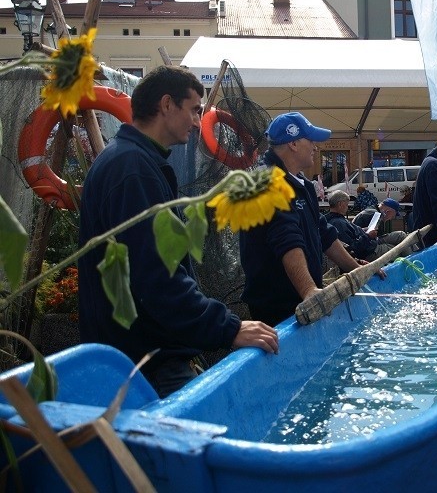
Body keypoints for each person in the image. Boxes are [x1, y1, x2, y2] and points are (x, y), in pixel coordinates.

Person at [78, 65, 279, 398]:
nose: (199, 122)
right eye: (194, 110)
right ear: (167, 105)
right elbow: (156, 277)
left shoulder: (136, 160)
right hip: (146, 362)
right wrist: (228, 328)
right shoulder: (133, 170)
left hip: (144, 353)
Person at [239, 112, 375, 326]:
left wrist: (356, 269)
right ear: (293, 143)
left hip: (301, 298)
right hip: (278, 305)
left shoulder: (301, 183)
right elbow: (287, 241)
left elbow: (324, 232)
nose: (315, 147)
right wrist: (309, 291)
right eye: (310, 140)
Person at [326, 191, 409, 261]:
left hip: (368, 243)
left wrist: (363, 230)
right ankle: (415, 266)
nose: (347, 208)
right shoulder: (338, 223)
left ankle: (416, 259)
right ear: (340, 204)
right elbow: (353, 248)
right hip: (368, 250)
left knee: (401, 237)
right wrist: (368, 236)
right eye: (347, 205)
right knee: (399, 249)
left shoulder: (338, 220)